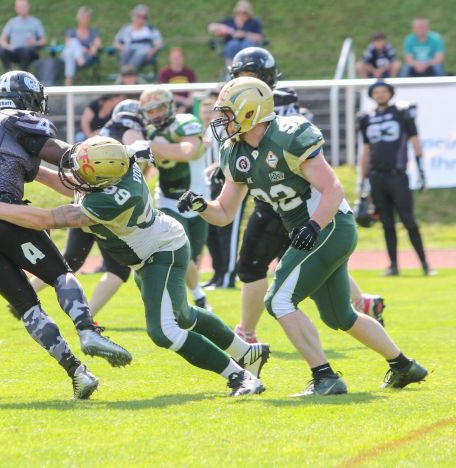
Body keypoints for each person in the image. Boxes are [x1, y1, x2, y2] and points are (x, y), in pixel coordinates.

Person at [0, 136, 271, 397]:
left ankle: (239, 377)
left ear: (102, 179)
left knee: (164, 332)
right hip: (153, 249)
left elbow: (47, 219)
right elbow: (125, 154)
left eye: (82, 169)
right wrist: (30, 167)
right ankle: (247, 352)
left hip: (162, 252)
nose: (74, 172)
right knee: (184, 315)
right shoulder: (117, 163)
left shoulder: (108, 200)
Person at [179, 77, 428, 395]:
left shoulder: (288, 136)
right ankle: (404, 365)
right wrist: (202, 206)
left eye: (227, 113)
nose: (221, 121)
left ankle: (325, 377)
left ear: (250, 111)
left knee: (279, 299)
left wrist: (314, 225)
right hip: (308, 230)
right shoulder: (234, 151)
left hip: (329, 225)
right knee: (340, 315)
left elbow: (333, 188)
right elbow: (225, 212)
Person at [0, 71, 132, 400]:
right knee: (60, 273)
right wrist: (112, 162)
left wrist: (92, 186)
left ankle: (77, 373)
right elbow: (67, 158)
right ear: (29, 100)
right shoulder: (20, 119)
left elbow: (52, 177)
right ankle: (88, 331)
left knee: (26, 305)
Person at [227, 47, 387, 344]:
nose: (242, 84)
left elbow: (283, 147)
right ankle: (361, 304)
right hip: (281, 196)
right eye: (239, 77)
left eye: (249, 76)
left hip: (290, 197)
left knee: (260, 268)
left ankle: (247, 334)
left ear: (266, 77)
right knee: (315, 267)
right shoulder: (246, 104)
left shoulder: (280, 106)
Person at [29, 99, 145, 318]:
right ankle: (87, 317)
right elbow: (135, 149)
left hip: (88, 195)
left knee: (71, 259)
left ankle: (26, 294)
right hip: (104, 204)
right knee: (117, 269)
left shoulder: (106, 133)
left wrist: (36, 172)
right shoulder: (130, 128)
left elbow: (74, 179)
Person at [139, 87, 210, 310]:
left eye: (160, 107)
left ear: (169, 105)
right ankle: (193, 299)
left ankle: (195, 294)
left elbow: (188, 151)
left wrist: (149, 146)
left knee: (194, 258)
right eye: (151, 111)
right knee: (183, 252)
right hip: (168, 201)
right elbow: (142, 171)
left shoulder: (184, 121)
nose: (156, 114)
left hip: (199, 199)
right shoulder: (148, 134)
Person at [359, 81, 431, 277]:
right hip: (376, 176)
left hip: (397, 175)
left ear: (390, 93)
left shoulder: (402, 113)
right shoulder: (366, 117)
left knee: (409, 220)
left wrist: (421, 170)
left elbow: (415, 141)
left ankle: (425, 264)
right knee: (386, 223)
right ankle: (393, 265)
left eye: (383, 91)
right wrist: (362, 178)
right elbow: (366, 149)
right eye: (376, 92)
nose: (380, 94)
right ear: (371, 95)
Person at [200, 93, 244, 290]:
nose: (207, 114)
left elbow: (231, 153)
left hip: (227, 180)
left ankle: (228, 277)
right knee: (212, 231)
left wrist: (212, 168)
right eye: (204, 109)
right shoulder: (207, 130)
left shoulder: (227, 128)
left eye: (211, 110)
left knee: (228, 231)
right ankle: (218, 274)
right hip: (209, 185)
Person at [0, 0, 46, 72]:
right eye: (20, 7)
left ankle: (22, 73)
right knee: (1, 51)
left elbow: (43, 41)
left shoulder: (36, 22)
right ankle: (9, 72)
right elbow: (2, 39)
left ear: (28, 7)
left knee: (26, 51)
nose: (22, 8)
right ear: (16, 8)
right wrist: (7, 46)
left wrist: (35, 42)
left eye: (24, 6)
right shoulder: (12, 22)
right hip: (14, 50)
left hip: (29, 51)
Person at [113, 4, 163, 73]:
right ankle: (126, 74)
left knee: (140, 53)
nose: (141, 19)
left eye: (144, 17)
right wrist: (123, 48)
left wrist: (153, 51)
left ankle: (127, 74)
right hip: (129, 51)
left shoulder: (151, 29)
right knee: (126, 51)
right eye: (139, 16)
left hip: (144, 53)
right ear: (133, 17)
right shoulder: (126, 29)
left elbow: (159, 43)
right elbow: (116, 43)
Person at [61, 6, 101, 86]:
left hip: (78, 56)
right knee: (74, 42)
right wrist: (81, 48)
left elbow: (98, 44)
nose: (84, 19)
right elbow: (67, 44)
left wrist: (94, 48)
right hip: (72, 56)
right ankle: (79, 58)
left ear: (89, 19)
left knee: (69, 53)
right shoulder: (72, 31)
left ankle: (68, 81)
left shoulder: (92, 33)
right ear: (78, 18)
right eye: (82, 17)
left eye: (86, 17)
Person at [157, 47, 196, 113]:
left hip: (188, 104)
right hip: (170, 102)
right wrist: (183, 101)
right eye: (174, 58)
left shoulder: (189, 72)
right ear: (170, 58)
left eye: (178, 58)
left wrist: (185, 105)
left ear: (183, 58)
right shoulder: (164, 73)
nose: (176, 60)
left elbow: (192, 91)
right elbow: (163, 93)